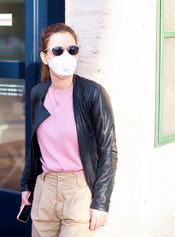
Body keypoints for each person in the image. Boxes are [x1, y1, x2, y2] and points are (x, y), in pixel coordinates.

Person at [20, 23, 118, 237]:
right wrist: (26, 185)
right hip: (45, 188)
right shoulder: (38, 93)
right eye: (58, 50)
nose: (66, 55)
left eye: (72, 49)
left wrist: (101, 202)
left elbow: (108, 150)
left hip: (79, 190)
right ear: (45, 57)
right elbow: (35, 146)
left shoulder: (93, 93)